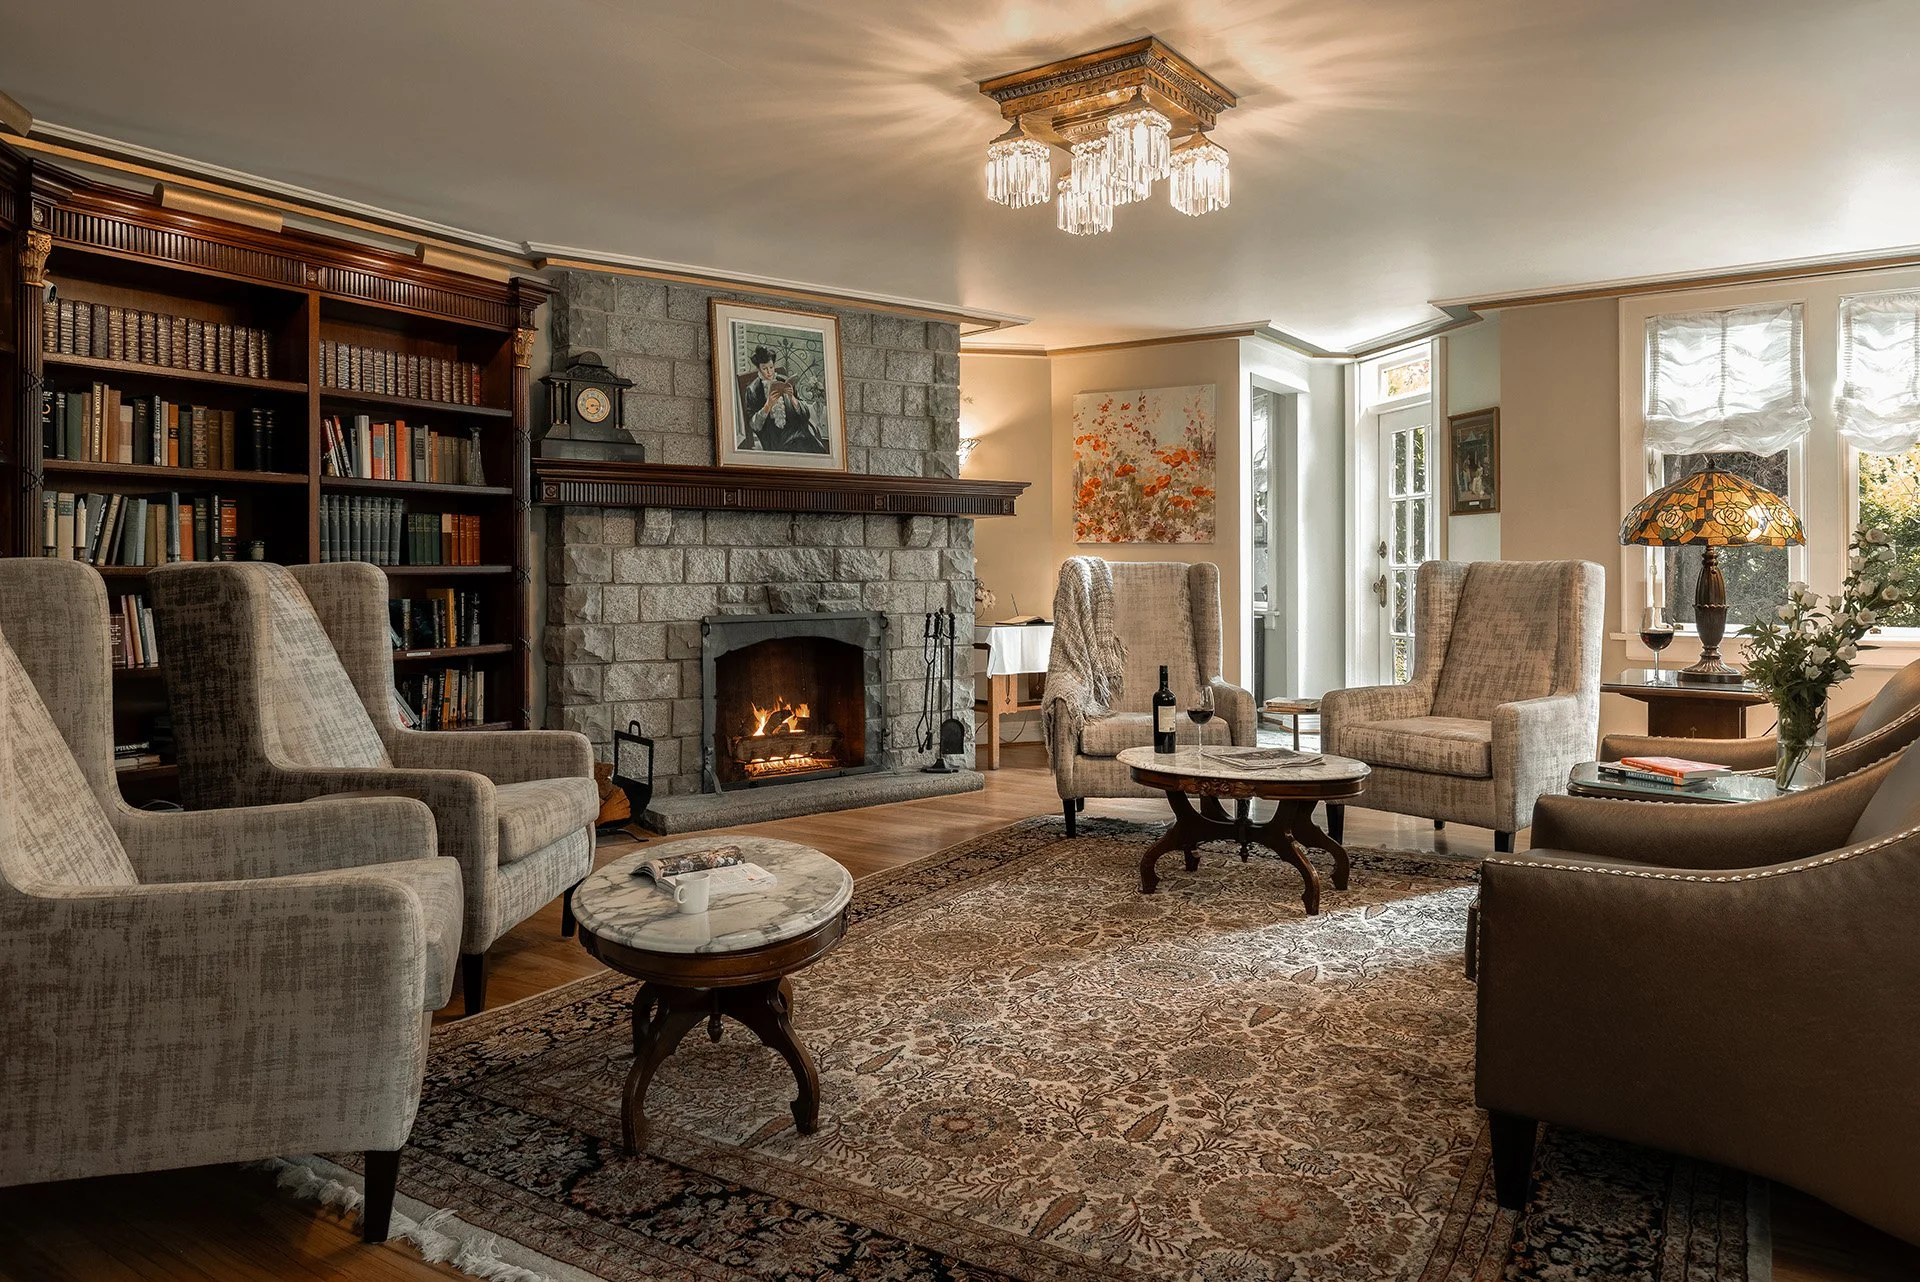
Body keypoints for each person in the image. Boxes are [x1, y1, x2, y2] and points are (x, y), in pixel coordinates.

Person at [736, 346, 827, 453]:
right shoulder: (753, 390)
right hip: (774, 436)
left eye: (771, 367)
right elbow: (754, 425)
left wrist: (792, 398)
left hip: (796, 431)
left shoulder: (784, 380)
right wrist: (768, 405)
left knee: (816, 449)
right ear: (759, 369)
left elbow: (805, 413)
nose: (769, 372)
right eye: (765, 369)